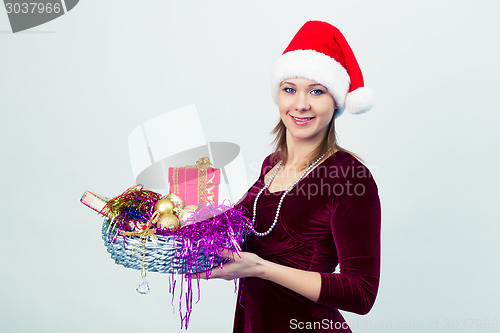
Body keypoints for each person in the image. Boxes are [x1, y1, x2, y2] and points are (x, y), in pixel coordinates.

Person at [207, 20, 381, 332]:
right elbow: (230, 232)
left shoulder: (350, 176)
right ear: (278, 96)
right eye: (290, 89)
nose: (301, 104)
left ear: (336, 102)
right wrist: (175, 219)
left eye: (317, 91)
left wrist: (261, 269)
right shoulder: (270, 165)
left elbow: (361, 293)